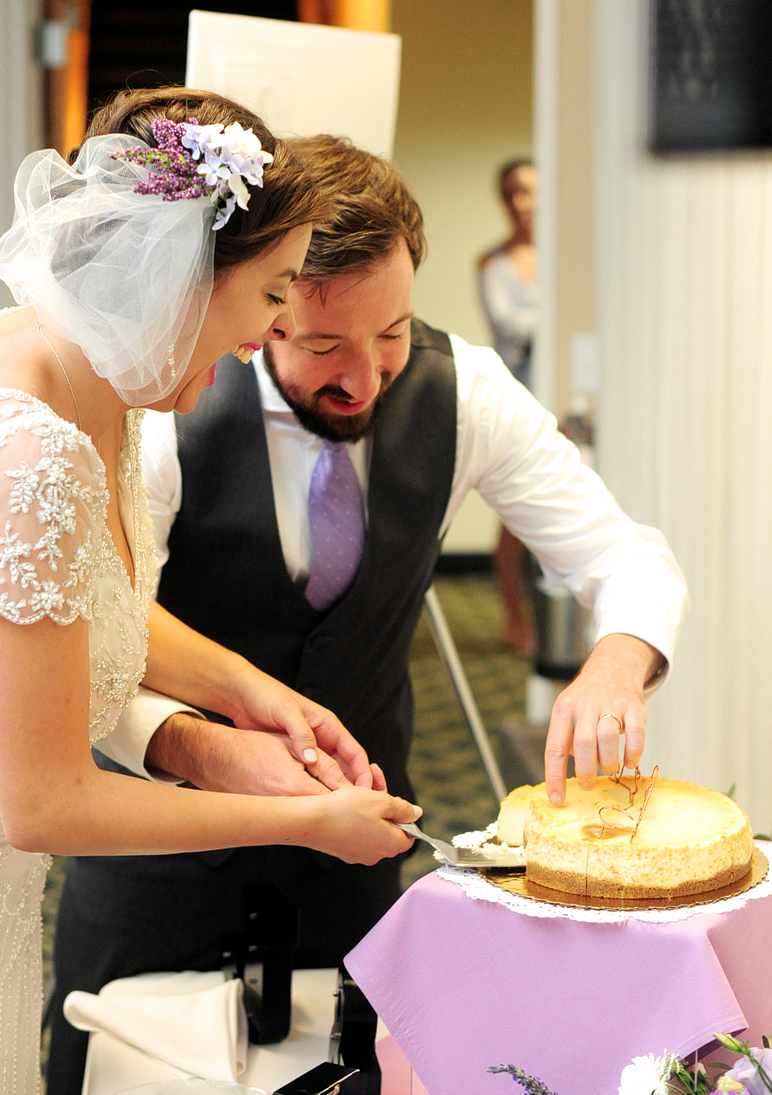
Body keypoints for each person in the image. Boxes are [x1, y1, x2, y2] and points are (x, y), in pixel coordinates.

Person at [47, 135, 688, 1095]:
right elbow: (101, 639)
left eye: (391, 331)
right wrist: (200, 746)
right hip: (157, 865)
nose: (367, 376)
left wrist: (614, 663)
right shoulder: (162, 411)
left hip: (355, 869)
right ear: (262, 306)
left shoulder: (464, 388)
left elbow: (625, 553)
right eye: (322, 346)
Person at [0, 92, 420, 1095]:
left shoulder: (94, 381)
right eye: (272, 294)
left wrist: (256, 694)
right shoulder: (24, 450)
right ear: (180, 276)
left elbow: (80, 604)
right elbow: (46, 802)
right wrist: (299, 822)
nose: (272, 334)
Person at [477, 158, 539, 653]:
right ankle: (515, 619)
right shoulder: (492, 264)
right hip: (521, 395)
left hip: (563, 398)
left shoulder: (568, 256)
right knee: (514, 518)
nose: (523, 203)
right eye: (513, 193)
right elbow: (509, 329)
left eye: (531, 191)